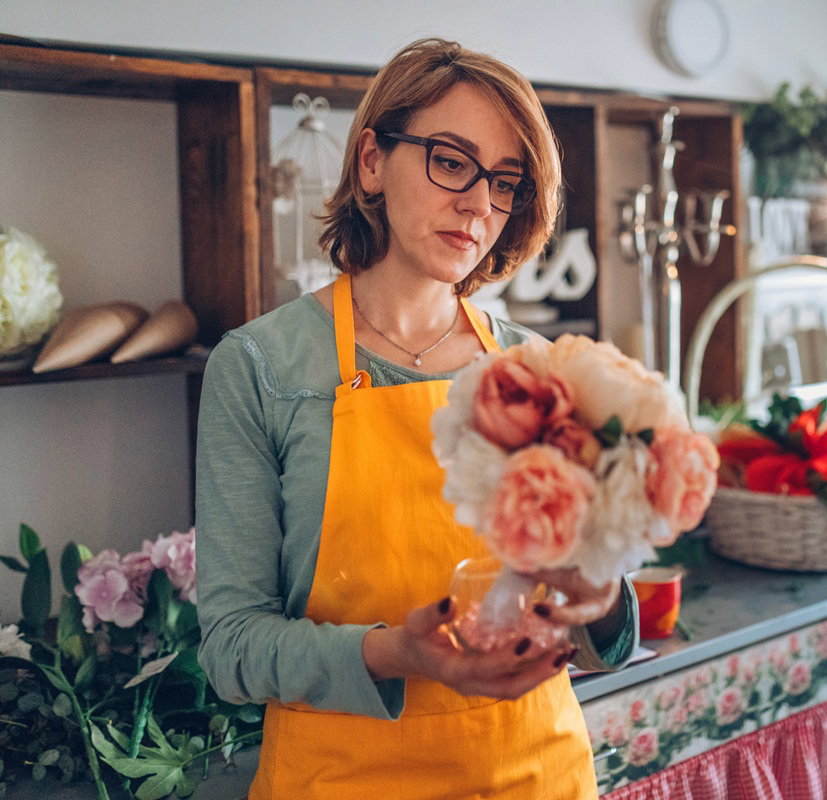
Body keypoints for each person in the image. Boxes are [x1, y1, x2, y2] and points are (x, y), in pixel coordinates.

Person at [195, 38, 638, 799]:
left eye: (505, 181)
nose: (478, 204)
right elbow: (232, 651)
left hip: (535, 773)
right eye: (450, 160)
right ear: (372, 161)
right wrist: (401, 653)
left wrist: (600, 601)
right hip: (341, 780)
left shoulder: (537, 374)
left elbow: (601, 638)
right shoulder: (262, 368)